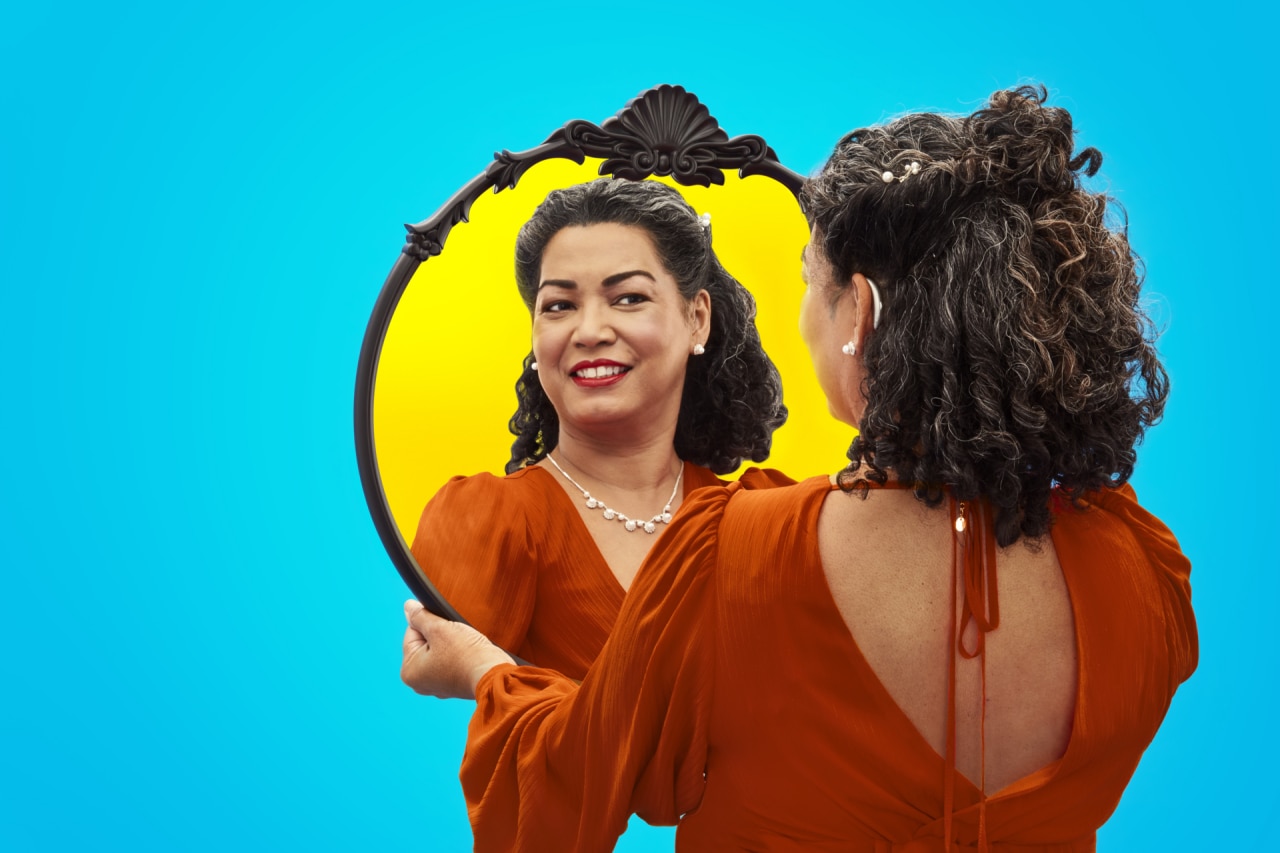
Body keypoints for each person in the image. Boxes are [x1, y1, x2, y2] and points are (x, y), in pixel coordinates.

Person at [402, 86, 1198, 852]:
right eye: (559, 303)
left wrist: (485, 670)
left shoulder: (735, 552)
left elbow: (586, 780)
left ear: (859, 310)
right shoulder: (1143, 567)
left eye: (811, 284)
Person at [409, 178, 790, 680]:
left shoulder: (761, 521)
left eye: (628, 298)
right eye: (559, 306)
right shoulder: (491, 520)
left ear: (697, 319)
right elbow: (429, 667)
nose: (589, 332)